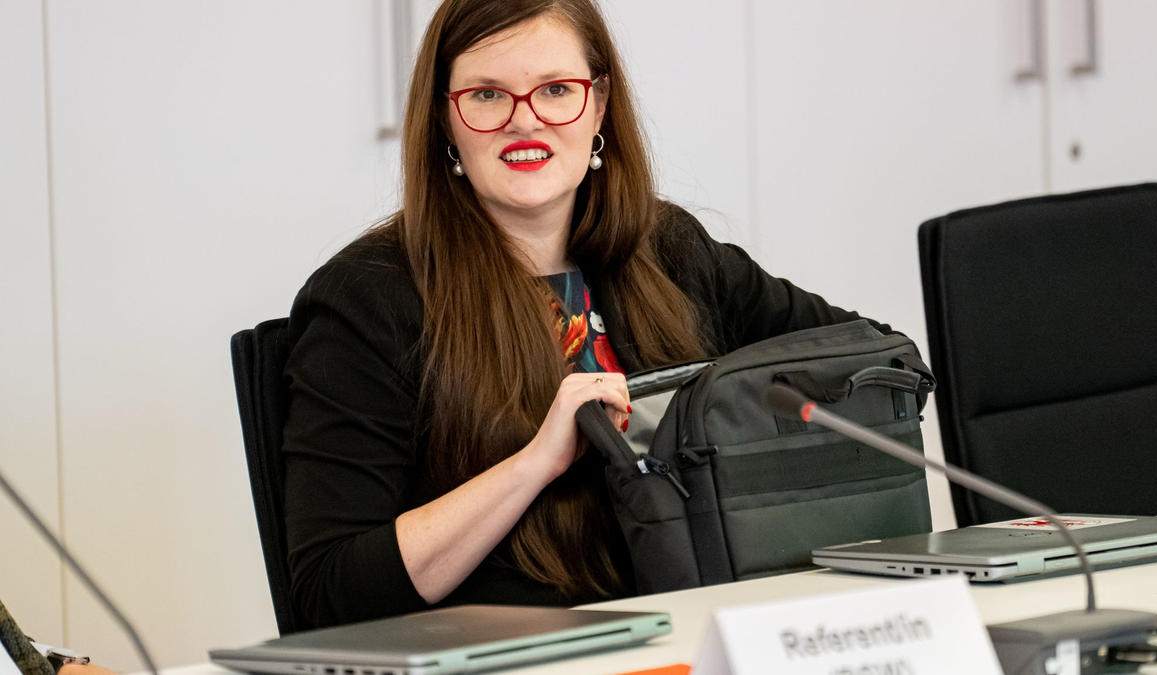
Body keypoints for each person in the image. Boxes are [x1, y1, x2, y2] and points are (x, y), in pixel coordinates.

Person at [282, 0, 890, 628]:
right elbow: (332, 593)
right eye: (487, 95)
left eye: (555, 89)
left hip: (698, 626)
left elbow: (875, 360)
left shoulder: (667, 247)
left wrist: (725, 420)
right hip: (516, 655)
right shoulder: (368, 295)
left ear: (598, 104)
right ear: (444, 117)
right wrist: (535, 462)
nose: (527, 122)